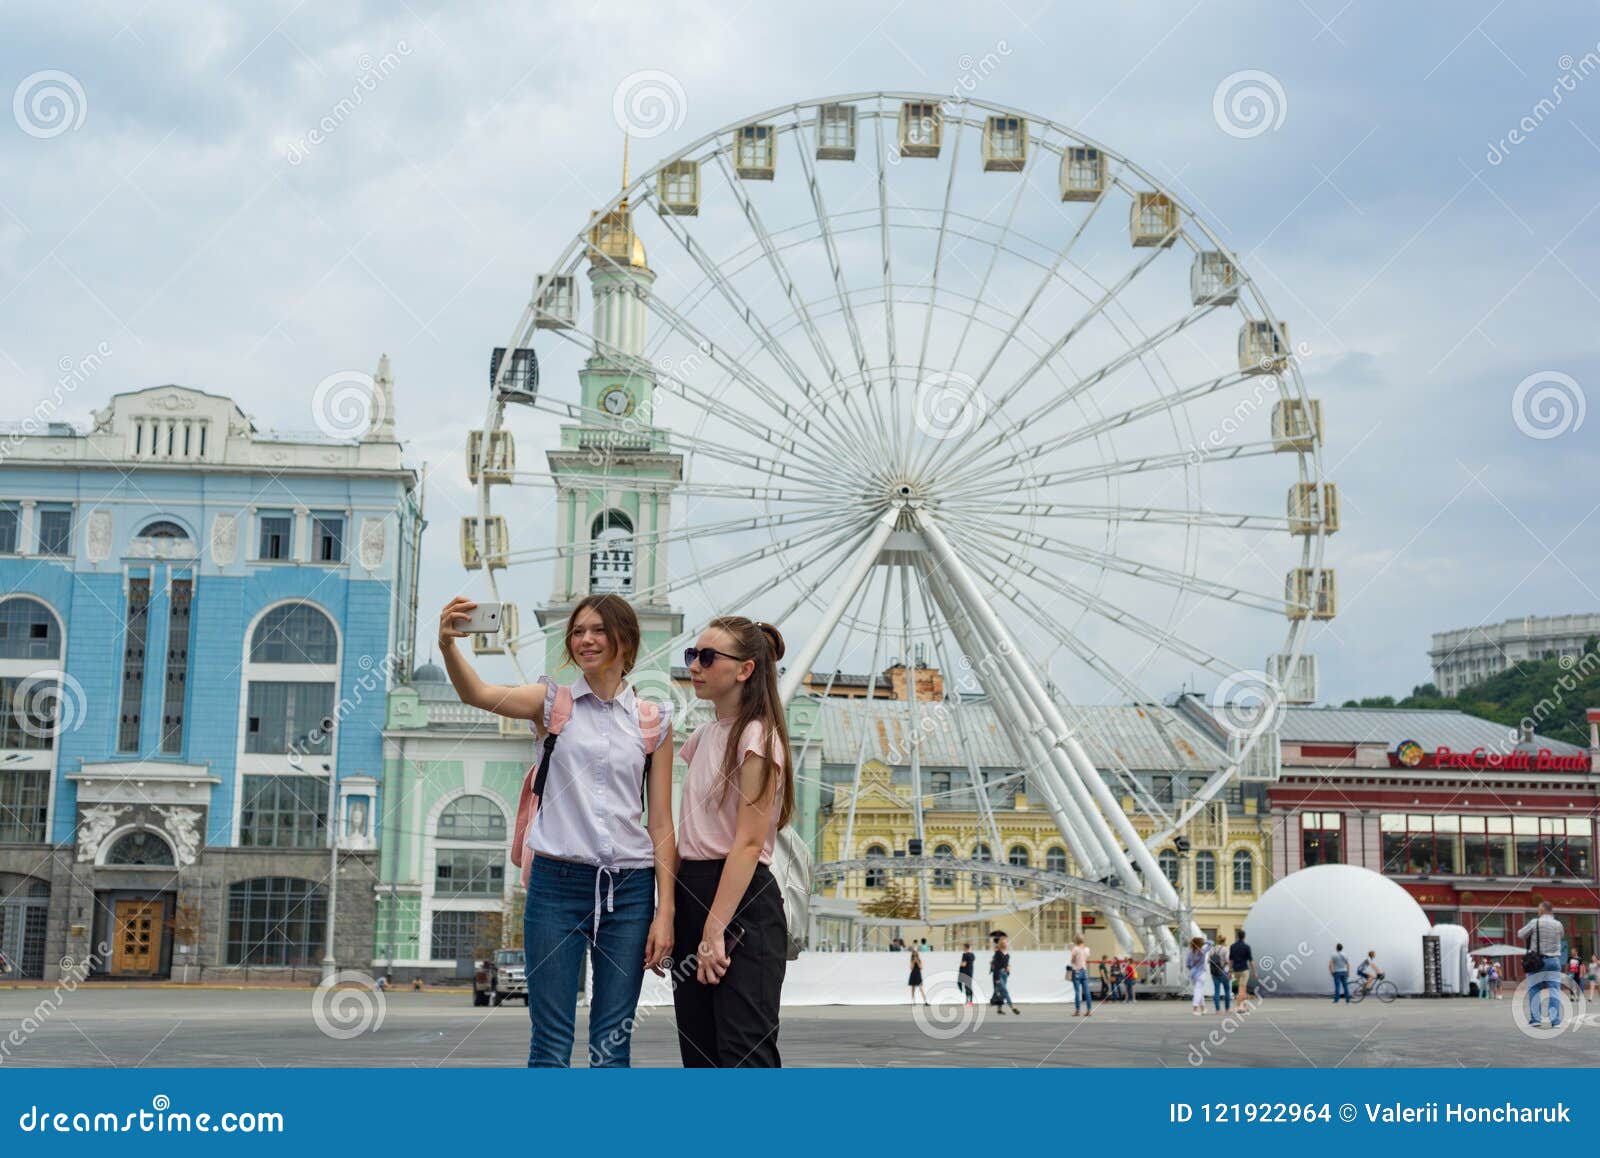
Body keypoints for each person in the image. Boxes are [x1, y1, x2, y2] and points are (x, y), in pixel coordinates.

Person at [438, 594, 676, 1068]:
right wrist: (448, 646)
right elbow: (478, 694)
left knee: (612, 1044)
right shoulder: (552, 704)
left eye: (598, 630)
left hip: (628, 890)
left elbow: (662, 823)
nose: (585, 640)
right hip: (555, 885)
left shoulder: (654, 720)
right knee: (550, 1041)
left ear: (624, 640)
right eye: (578, 631)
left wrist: (665, 910)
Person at [673, 616, 795, 1067]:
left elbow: (747, 842)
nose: (695, 666)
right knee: (699, 1052)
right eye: (692, 655)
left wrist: (713, 930)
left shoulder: (756, 735)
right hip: (695, 892)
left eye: (707, 657)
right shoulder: (702, 737)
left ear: (744, 670)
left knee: (743, 1052)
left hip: (740, 902)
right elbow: (684, 832)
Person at [1517, 902, 1565, 1028]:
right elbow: (1562, 935)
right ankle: (1555, 1021)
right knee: (1554, 990)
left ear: (1543, 910)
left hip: (1537, 961)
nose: (1537, 911)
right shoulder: (1558, 924)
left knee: (1534, 989)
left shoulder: (1535, 922)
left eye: (1539, 909)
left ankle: (1536, 1019)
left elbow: (1520, 934)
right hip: (1554, 960)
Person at [990, 934, 1019, 1014]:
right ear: (1001, 944)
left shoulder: (1007, 954)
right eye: (1005, 942)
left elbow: (1007, 964)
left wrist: (1008, 970)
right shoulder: (997, 954)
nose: (1006, 943)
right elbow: (995, 967)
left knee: (1001, 991)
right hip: (998, 974)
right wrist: (996, 979)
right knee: (1005, 991)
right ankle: (1012, 1007)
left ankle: (999, 1009)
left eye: (1006, 942)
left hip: (1004, 974)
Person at [1229, 928, 1256, 1009]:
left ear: (1237, 936)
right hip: (1244, 970)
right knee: (1242, 989)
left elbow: (1231, 960)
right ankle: (1238, 1006)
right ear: (1244, 937)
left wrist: (1230, 971)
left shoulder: (1232, 946)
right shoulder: (1247, 947)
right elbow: (1251, 961)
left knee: (1242, 989)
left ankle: (1244, 1006)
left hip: (1236, 970)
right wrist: (1254, 971)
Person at [1067, 935, 1093, 1017]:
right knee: (1087, 991)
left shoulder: (1075, 949)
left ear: (1076, 941)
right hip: (1084, 971)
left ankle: (1077, 1011)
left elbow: (1073, 960)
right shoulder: (1086, 949)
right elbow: (1086, 957)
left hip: (1076, 971)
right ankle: (1089, 1010)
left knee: (1077, 992)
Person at [1208, 938, 1232, 1012]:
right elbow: (1228, 961)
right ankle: (1227, 1009)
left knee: (1216, 991)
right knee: (1227, 990)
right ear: (1224, 942)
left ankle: (1217, 1010)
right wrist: (1230, 971)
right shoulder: (1225, 949)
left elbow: (1208, 961)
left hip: (1214, 972)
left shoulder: (1212, 949)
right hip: (1224, 972)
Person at [1186, 936, 1209, 1014]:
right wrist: (1204, 942)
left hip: (1193, 974)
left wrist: (1193, 969)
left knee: (1199, 990)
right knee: (1198, 990)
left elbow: (1188, 964)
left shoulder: (1190, 952)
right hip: (1201, 973)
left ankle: (1203, 1008)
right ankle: (1195, 1009)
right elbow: (1211, 943)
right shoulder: (1202, 951)